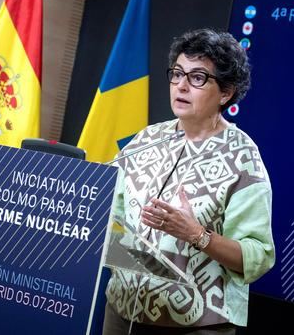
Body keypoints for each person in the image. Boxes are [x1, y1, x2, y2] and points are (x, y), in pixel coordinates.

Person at [103, 29, 275, 334]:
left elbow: (258, 257)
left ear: (226, 92)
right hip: (122, 311)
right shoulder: (149, 138)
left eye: (197, 78)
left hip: (196, 325)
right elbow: (103, 204)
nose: (181, 85)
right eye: (177, 74)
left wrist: (197, 234)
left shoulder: (243, 158)